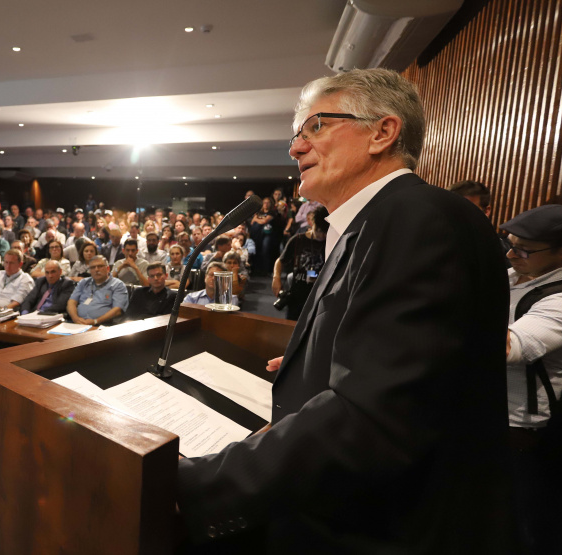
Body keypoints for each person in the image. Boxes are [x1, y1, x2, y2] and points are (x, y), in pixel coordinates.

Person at [176, 68, 512, 554]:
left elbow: (372, 416)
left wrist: (193, 483)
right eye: (296, 134)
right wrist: (310, 367)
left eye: (316, 126)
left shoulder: (416, 217)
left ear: (383, 132)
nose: (295, 148)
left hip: (390, 528)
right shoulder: (375, 220)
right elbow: (402, 364)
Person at [498, 204, 562, 554]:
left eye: (523, 249)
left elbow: (513, 347)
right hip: (480, 416)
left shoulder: (561, 298)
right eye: (508, 244)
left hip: (521, 432)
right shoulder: (510, 275)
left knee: (525, 531)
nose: (511, 254)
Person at [271, 205, 328, 321]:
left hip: (319, 295)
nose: (321, 235)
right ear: (312, 223)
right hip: (297, 294)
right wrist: (276, 277)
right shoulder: (297, 240)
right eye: (318, 230)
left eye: (324, 232)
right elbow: (280, 261)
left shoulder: (331, 242)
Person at [66, 255, 128, 326]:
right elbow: (71, 302)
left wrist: (95, 321)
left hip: (102, 326)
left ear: (107, 268)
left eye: (100, 266)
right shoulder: (83, 282)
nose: (96, 269)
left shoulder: (117, 285)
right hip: (78, 323)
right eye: (92, 267)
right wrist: (75, 318)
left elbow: (117, 310)